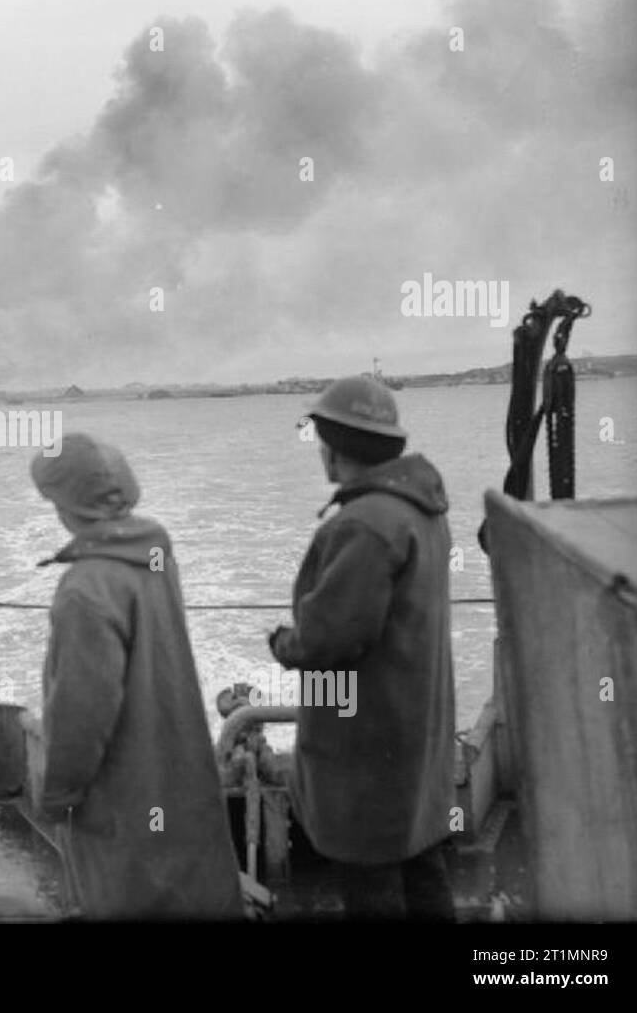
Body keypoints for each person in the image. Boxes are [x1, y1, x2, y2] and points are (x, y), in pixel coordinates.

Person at [29, 432, 244, 919]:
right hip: (177, 771)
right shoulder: (153, 553)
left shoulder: (85, 589)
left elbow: (82, 711)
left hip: (121, 791)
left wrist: (58, 794)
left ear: (65, 505)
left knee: (127, 894)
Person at [268, 376, 456, 919]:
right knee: (422, 867)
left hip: (368, 746)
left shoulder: (365, 525)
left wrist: (284, 643)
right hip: (416, 732)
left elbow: (330, 638)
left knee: (370, 882)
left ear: (333, 448)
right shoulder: (422, 510)